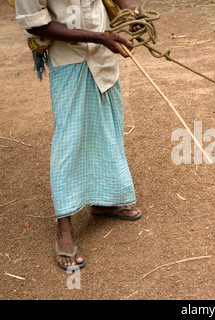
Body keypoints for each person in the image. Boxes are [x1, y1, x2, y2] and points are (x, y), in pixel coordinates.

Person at [15, 0, 143, 270]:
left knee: (107, 124)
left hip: (103, 54)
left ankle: (104, 202)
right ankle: (64, 229)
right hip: (70, 59)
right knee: (69, 140)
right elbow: (38, 24)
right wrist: (100, 37)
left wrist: (128, 8)